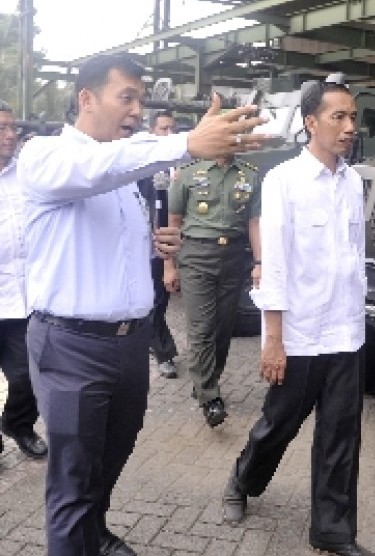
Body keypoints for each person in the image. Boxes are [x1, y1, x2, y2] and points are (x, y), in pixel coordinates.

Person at [18, 53, 268, 556]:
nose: (135, 109)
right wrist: (185, 144)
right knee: (72, 481)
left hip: (128, 346)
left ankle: (96, 532)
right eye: (124, 97)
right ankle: (79, 538)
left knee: (112, 452)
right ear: (86, 99)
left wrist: (155, 246)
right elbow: (92, 172)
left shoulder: (124, 174)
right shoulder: (46, 155)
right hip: (71, 347)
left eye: (140, 98)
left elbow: (99, 228)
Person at [221, 74, 372, 556]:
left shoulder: (353, 181)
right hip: (301, 335)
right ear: (311, 123)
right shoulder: (283, 181)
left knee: (341, 437)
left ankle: (332, 532)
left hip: (346, 334)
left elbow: (355, 258)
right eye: (339, 117)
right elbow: (278, 265)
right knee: (278, 425)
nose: (350, 126)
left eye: (353, 117)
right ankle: (243, 479)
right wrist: (274, 339)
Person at [165, 152, 261, 427]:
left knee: (223, 327)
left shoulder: (250, 174)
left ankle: (207, 380)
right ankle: (210, 398)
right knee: (201, 328)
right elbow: (173, 222)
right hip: (196, 255)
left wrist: (259, 262)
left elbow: (254, 222)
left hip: (233, 256)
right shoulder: (187, 173)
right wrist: (169, 267)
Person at [0, 100, 48, 461]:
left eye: (12, 126)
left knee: (27, 375)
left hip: (23, 297)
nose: (11, 134)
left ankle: (18, 423)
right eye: (2, 128)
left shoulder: (26, 174)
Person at [137, 110, 179, 378]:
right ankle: (164, 353)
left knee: (160, 303)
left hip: (178, 243)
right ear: (152, 131)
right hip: (152, 248)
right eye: (163, 129)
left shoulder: (181, 163)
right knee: (153, 303)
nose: (169, 134)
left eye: (172, 128)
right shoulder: (146, 166)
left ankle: (157, 347)